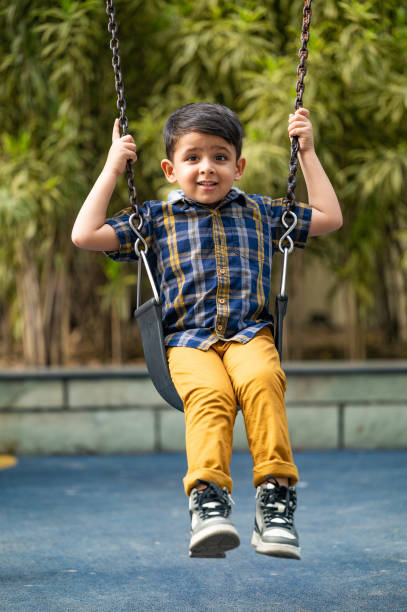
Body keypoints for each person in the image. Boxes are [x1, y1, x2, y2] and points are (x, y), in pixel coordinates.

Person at [72, 102, 342, 560]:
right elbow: (85, 233)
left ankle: (274, 499)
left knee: (261, 380)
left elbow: (329, 217)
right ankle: (208, 499)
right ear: (170, 169)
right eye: (192, 157)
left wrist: (308, 153)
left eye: (219, 157)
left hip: (250, 333)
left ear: (238, 167)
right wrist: (114, 165)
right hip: (187, 342)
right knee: (211, 397)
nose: (207, 168)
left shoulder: (261, 211)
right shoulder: (153, 219)